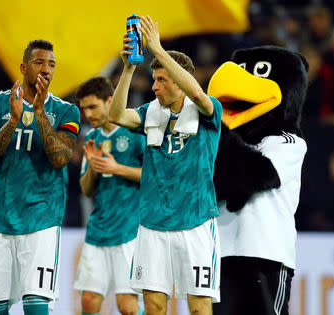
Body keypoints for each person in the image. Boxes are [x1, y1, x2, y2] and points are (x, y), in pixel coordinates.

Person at [109, 16, 222, 315]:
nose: (155, 86)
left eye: (162, 80)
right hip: (153, 225)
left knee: (199, 308)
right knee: (155, 306)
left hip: (196, 223)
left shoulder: (208, 110)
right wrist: (128, 68)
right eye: (155, 79)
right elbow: (116, 115)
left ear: (179, 80)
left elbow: (197, 94)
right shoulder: (150, 113)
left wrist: (157, 49)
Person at [0, 39, 80, 315]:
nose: (46, 69)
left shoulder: (67, 111)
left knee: (36, 305)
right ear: (23, 67)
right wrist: (12, 121)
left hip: (41, 222)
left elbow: (60, 159)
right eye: (39, 62)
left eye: (52, 65)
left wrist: (40, 113)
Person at [73, 76, 145, 315]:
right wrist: (93, 168)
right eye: (85, 109)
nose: (89, 114)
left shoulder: (134, 132)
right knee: (89, 302)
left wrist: (118, 169)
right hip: (98, 231)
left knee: (127, 306)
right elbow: (86, 189)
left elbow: (155, 177)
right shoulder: (93, 139)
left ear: (110, 100)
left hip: (129, 231)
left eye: (93, 106)